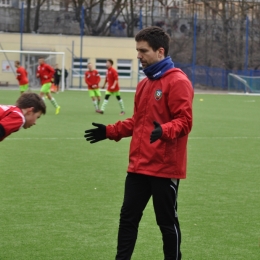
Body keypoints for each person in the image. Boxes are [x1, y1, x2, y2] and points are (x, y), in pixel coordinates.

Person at [84, 26, 194, 259]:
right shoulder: (144, 84)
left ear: (160, 51)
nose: (138, 56)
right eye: (137, 50)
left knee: (166, 222)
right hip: (139, 165)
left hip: (165, 167)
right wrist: (110, 131)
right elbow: (137, 121)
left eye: (143, 51)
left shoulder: (178, 81)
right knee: (128, 219)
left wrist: (163, 130)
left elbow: (184, 121)